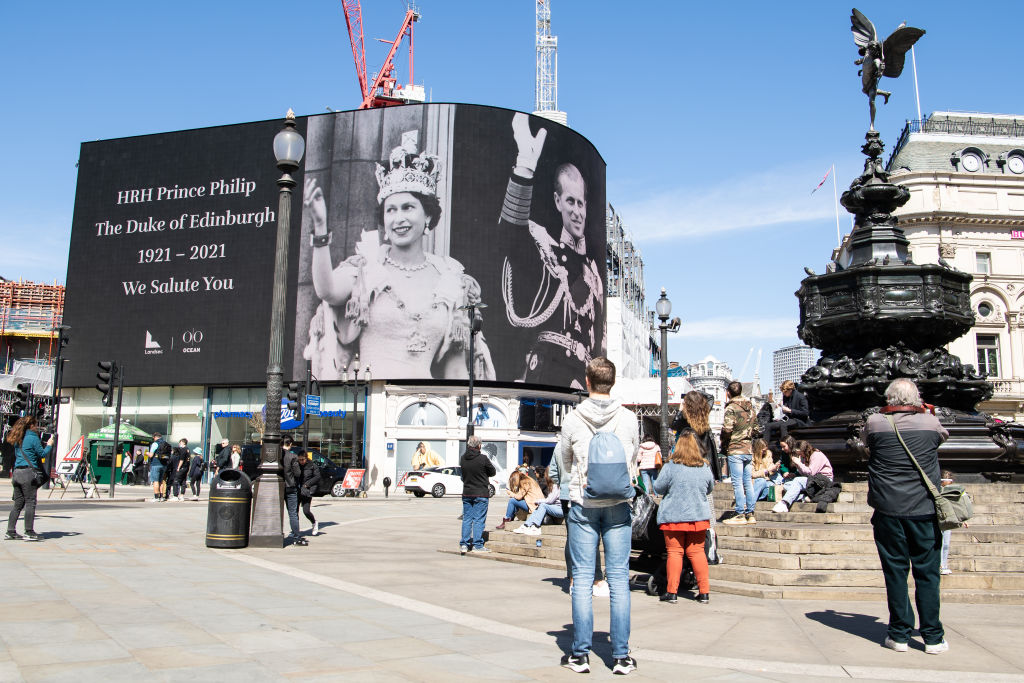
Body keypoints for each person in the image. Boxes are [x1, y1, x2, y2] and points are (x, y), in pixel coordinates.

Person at [302, 131, 495, 381]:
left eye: (408, 208)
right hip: (369, 399)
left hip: (424, 406)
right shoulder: (366, 268)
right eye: (390, 210)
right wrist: (320, 227)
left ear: (427, 216)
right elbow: (326, 290)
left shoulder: (450, 279)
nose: (399, 218)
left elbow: (455, 369)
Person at [499, 113, 604, 391]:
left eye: (581, 203)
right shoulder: (547, 252)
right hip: (548, 374)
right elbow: (511, 236)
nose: (577, 211)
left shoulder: (594, 273)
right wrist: (525, 167)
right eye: (570, 201)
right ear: (558, 201)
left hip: (584, 382)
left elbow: (598, 342)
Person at [559, 357, 639, 675]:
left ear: (587, 382)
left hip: (583, 505)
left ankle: (580, 654)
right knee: (619, 579)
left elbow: (564, 459)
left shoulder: (573, 419)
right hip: (619, 504)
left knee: (582, 579)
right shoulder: (629, 419)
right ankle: (620, 656)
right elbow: (632, 456)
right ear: (613, 382)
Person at [863, 378, 949, 655]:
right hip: (924, 509)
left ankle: (899, 634)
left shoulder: (875, 422)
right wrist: (925, 412)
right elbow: (942, 438)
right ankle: (933, 637)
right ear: (916, 398)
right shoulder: (929, 422)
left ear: (889, 399)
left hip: (888, 509)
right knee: (928, 574)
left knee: (896, 573)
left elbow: (866, 442)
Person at [653, 432, 715, 604]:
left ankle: (672, 592)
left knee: (675, 553)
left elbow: (658, 487)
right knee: (697, 553)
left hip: (673, 516)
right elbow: (710, 488)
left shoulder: (671, 466)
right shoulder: (704, 467)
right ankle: (704, 593)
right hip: (697, 516)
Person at [5, 417, 52, 541]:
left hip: (16, 473)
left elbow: (18, 455)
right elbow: (42, 454)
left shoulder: (18, 438)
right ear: (31, 425)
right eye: (35, 424)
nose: (36, 427)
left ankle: (10, 531)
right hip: (28, 473)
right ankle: (29, 531)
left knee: (18, 504)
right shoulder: (33, 437)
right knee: (30, 502)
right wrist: (49, 445)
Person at [720, 381, 757, 525]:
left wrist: (724, 440)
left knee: (737, 482)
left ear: (728, 393)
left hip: (735, 448)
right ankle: (751, 513)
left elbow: (728, 428)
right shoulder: (750, 407)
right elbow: (757, 428)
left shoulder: (731, 408)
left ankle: (740, 513)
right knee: (748, 481)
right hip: (748, 448)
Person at [671, 391, 722, 481]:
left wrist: (680, 410)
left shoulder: (684, 418)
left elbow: (674, 425)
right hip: (704, 456)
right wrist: (696, 393)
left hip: (688, 455)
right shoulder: (704, 414)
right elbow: (710, 397)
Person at [772, 440, 833, 513]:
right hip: (813, 480)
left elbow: (811, 473)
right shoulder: (805, 456)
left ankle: (785, 503)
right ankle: (804, 497)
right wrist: (797, 467)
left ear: (804, 450)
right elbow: (804, 473)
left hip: (823, 481)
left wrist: (799, 463)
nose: (800, 456)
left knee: (798, 480)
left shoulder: (816, 455)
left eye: (800, 453)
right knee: (787, 485)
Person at [459, 434, 496, 554]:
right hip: (481, 493)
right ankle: (477, 545)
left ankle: (464, 544)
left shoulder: (463, 458)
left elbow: (463, 475)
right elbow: (492, 472)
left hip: (467, 492)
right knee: (479, 519)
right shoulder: (483, 458)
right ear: (479, 445)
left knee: (467, 519)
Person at [513, 467, 564, 535]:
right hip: (555, 507)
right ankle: (526, 525)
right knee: (541, 506)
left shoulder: (556, 486)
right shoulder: (553, 485)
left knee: (543, 505)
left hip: (560, 509)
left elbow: (550, 500)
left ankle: (536, 527)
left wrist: (538, 501)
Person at [763, 380, 811, 444]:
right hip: (788, 419)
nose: (784, 394)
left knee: (783, 425)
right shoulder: (785, 396)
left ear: (790, 390)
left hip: (799, 420)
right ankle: (764, 447)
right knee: (768, 426)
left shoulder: (801, 397)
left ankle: (785, 447)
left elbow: (805, 413)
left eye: (785, 392)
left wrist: (790, 411)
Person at [282, 437, 306, 546]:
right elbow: (297, 473)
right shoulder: (292, 456)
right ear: (290, 444)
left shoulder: (277, 455)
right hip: (290, 486)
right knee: (292, 513)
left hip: (278, 486)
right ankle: (297, 537)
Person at [297, 451, 320, 537]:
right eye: (299, 460)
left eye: (302, 459)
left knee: (306, 511)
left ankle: (314, 522)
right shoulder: (297, 465)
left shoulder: (312, 466)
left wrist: (308, 484)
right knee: (295, 512)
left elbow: (317, 477)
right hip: (298, 490)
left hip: (307, 491)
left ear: (306, 458)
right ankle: (296, 530)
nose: (301, 461)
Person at [939, 470, 955, 576]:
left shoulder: (952, 492)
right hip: (939, 519)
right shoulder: (938, 491)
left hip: (948, 520)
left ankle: (943, 564)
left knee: (945, 544)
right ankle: (939, 565)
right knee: (940, 543)